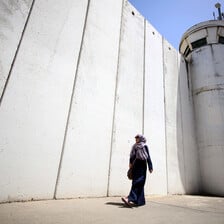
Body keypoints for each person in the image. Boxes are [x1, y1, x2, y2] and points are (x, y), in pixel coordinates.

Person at [122, 134, 153, 207]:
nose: (136, 139)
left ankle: (135, 199)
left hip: (142, 165)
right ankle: (135, 200)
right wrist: (130, 163)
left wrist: (150, 166)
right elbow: (132, 155)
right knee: (136, 181)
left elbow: (148, 157)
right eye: (135, 138)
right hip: (136, 165)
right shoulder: (134, 146)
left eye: (137, 138)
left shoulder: (144, 146)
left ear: (141, 139)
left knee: (140, 182)